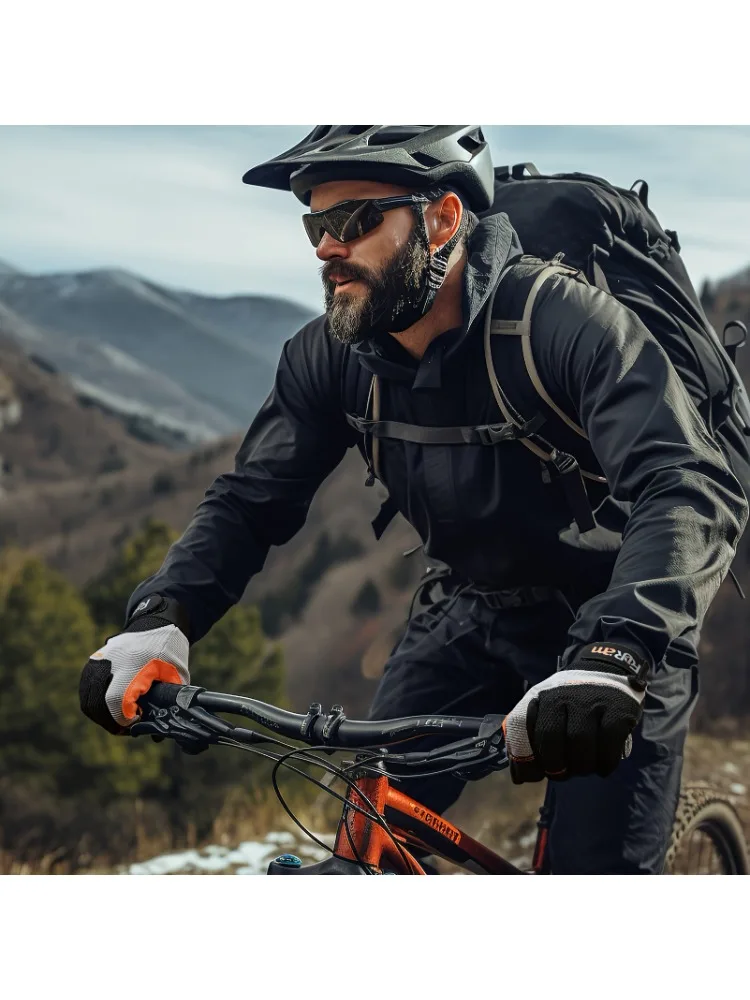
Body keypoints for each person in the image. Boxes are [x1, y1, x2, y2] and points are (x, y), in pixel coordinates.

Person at [79, 126, 748, 874]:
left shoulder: (561, 323)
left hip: (616, 620)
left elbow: (684, 481)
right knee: (369, 841)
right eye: (316, 225)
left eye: (356, 220)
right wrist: (163, 618)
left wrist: (619, 651)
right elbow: (248, 501)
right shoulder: (330, 355)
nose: (328, 247)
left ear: (442, 220)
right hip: (472, 609)